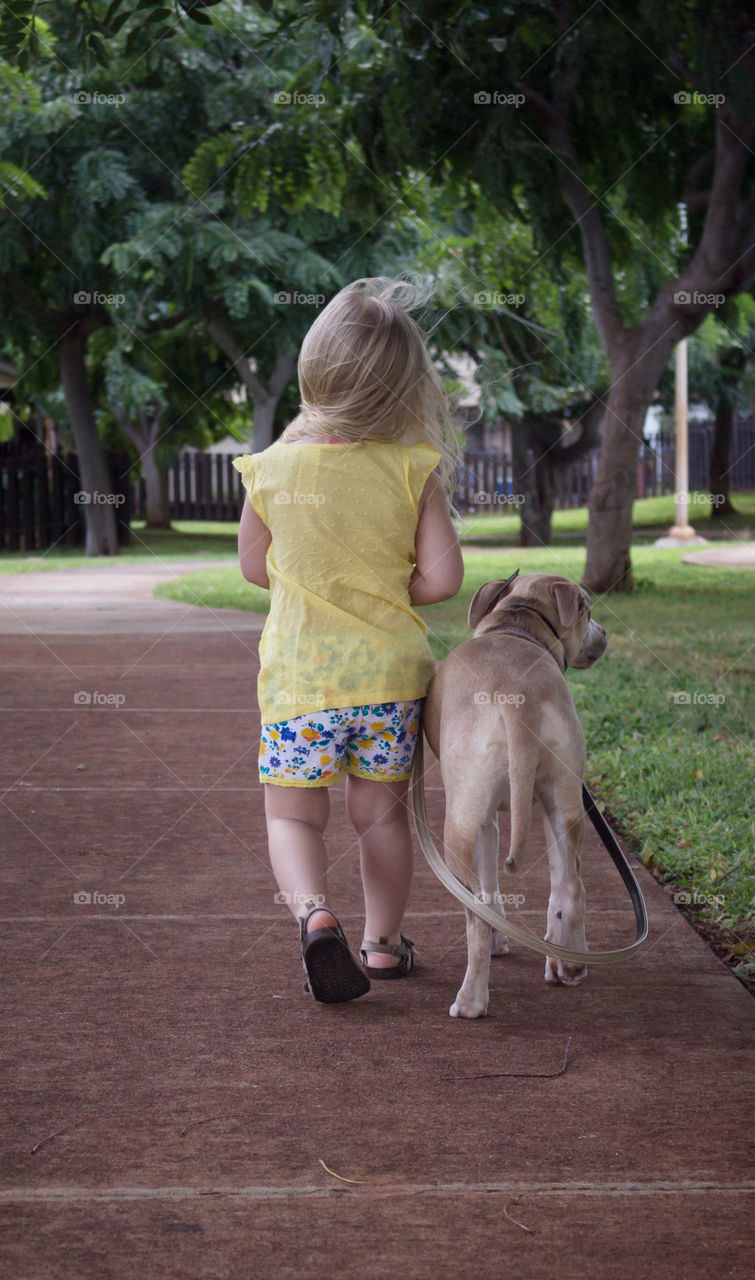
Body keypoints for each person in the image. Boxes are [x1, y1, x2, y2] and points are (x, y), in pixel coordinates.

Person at [234, 277, 464, 1005]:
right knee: (379, 815)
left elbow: (251, 570)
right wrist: (382, 591)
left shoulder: (269, 472)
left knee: (293, 813)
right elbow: (444, 578)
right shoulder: (411, 469)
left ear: (313, 371)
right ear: (406, 385)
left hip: (301, 682)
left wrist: (318, 588)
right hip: (387, 682)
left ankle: (314, 915)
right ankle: (383, 945)